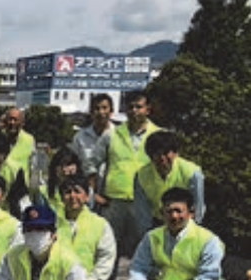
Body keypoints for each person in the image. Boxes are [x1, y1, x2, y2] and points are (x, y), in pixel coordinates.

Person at [95, 91, 160, 262]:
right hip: (114, 200)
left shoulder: (158, 135)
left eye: (139, 107)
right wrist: (94, 193)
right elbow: (92, 164)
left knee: (144, 246)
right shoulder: (112, 134)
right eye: (130, 107)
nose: (134, 111)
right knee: (109, 245)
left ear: (148, 109)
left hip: (145, 201)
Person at [57, 175, 116, 280]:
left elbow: (106, 257)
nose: (72, 196)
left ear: (87, 197)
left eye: (77, 191)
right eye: (67, 192)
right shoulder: (51, 223)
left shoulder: (100, 224)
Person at [134, 131, 205, 232]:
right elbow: (142, 213)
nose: (162, 158)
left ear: (176, 153)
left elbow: (198, 207)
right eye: (157, 154)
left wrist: (191, 230)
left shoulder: (192, 172)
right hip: (156, 223)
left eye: (166, 153)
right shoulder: (141, 175)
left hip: (185, 223)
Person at [71, 93, 114, 197]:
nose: (101, 112)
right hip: (85, 193)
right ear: (91, 112)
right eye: (96, 108)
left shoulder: (119, 136)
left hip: (112, 193)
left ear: (111, 111)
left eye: (104, 108)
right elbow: (74, 165)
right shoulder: (80, 137)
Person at [35, 147, 82, 218]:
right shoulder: (43, 192)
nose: (64, 169)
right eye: (60, 165)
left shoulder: (84, 189)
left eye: (68, 165)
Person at [0, 107, 36, 180]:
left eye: (15, 120)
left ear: (22, 123)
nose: (12, 123)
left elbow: (33, 166)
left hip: (20, 186)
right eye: (10, 119)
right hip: (0, 185)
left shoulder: (29, 140)